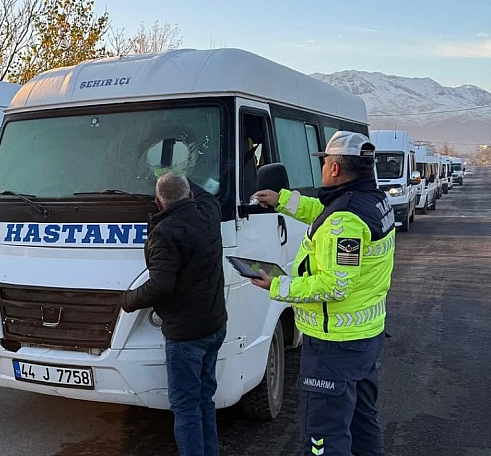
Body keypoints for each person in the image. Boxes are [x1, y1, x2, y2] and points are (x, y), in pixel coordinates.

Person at [250, 131, 395, 456]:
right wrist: (282, 200)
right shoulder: (372, 199)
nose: (323, 167)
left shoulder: (344, 221)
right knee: (361, 425)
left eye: (326, 161)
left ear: (334, 169)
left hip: (336, 345)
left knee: (324, 439)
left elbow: (335, 286)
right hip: (363, 337)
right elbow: (324, 211)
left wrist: (278, 286)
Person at [122, 171, 227, 456]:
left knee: (185, 406)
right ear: (190, 195)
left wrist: (128, 300)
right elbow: (206, 195)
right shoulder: (208, 213)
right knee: (205, 398)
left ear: (158, 201)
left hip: (186, 335)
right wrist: (185, 172)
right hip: (215, 325)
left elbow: (160, 286)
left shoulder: (164, 233)